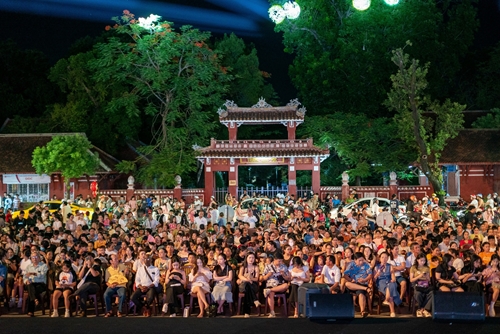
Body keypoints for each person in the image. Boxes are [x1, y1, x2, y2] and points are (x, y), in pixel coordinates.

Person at [344, 252, 372, 318]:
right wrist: (350, 279)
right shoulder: (351, 264)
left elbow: (370, 275)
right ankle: (365, 289)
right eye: (359, 260)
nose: (361, 262)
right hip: (353, 283)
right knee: (347, 284)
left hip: (362, 283)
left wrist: (364, 280)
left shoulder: (366, 265)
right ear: (355, 260)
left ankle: (362, 311)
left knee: (361, 294)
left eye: (362, 260)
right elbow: (345, 275)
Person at [262, 253, 290, 318]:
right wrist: (268, 275)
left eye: (281, 261)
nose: (280, 262)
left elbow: (288, 278)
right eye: (279, 261)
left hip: (280, 284)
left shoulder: (284, 266)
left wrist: (283, 275)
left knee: (286, 285)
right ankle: (272, 312)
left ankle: (268, 290)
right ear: (274, 259)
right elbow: (263, 278)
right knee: (271, 293)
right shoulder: (268, 266)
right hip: (271, 283)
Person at [373, 251, 401, 317]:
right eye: (382, 257)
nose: (384, 259)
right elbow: (374, 280)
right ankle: (392, 311)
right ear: (379, 258)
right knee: (391, 288)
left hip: (389, 281)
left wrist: (392, 280)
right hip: (381, 283)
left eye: (386, 257)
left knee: (391, 285)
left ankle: (386, 299)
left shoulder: (390, 266)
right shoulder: (377, 267)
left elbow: (393, 278)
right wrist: (377, 274)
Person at [23, 252, 48, 317]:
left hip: (41, 284)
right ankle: (35, 299)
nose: (35, 259)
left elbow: (42, 275)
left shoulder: (44, 266)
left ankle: (30, 311)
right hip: (31, 284)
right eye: (33, 257)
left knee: (31, 290)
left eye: (36, 257)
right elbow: (25, 277)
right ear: (31, 259)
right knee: (30, 285)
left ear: (39, 258)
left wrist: (33, 273)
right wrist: (26, 281)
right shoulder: (28, 267)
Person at [237, 252, 260, 318]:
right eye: (249, 257)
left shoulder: (256, 267)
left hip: (253, 285)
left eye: (253, 257)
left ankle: (246, 312)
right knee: (247, 285)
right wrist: (247, 279)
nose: (251, 259)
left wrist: (251, 278)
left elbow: (256, 279)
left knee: (248, 289)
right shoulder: (242, 267)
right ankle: (255, 300)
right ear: (246, 258)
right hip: (243, 285)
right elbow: (240, 276)